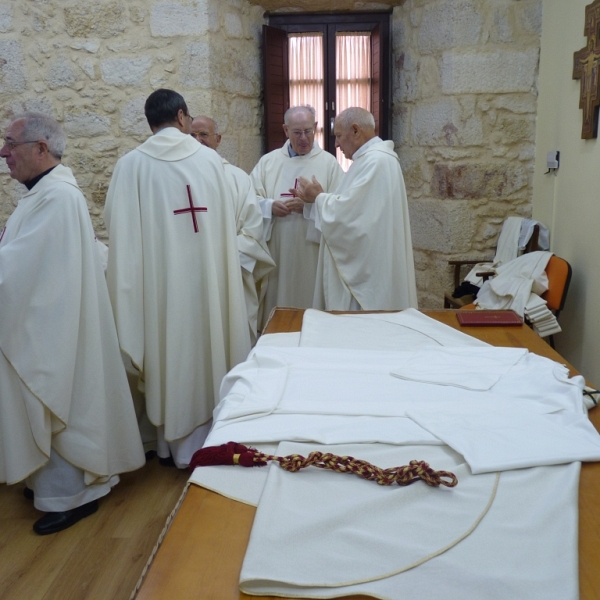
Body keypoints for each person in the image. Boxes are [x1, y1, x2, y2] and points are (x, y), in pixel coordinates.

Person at [0, 113, 145, 535]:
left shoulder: (58, 198)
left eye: (11, 143)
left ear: (41, 149)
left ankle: (73, 494)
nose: (4, 152)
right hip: (49, 320)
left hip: (56, 330)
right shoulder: (42, 194)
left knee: (59, 394)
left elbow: (23, 266)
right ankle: (49, 483)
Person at [104, 90, 251, 469]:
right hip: (208, 288)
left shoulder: (131, 166)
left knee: (168, 354)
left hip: (161, 294)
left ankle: (172, 448)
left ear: (150, 122)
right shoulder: (210, 162)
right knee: (211, 348)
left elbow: (120, 234)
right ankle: (214, 437)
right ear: (183, 118)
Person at [293, 107, 418, 311]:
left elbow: (351, 219)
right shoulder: (372, 160)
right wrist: (315, 203)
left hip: (368, 272)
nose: (336, 144)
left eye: (339, 136)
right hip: (374, 261)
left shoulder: (376, 162)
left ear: (356, 131)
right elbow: (354, 208)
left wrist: (318, 198)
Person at [250, 106, 344, 328]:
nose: (304, 138)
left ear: (316, 128)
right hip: (278, 254)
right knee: (279, 307)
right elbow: (247, 201)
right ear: (285, 130)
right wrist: (269, 206)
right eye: (297, 132)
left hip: (312, 253)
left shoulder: (329, 163)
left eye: (309, 131)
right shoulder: (268, 163)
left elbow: (341, 208)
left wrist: (311, 206)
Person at [191, 116, 275, 344]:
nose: (197, 140)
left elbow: (252, 231)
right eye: (192, 135)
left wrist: (218, 260)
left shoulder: (238, 178)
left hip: (231, 276)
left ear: (218, 139)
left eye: (204, 135)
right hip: (190, 278)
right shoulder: (178, 178)